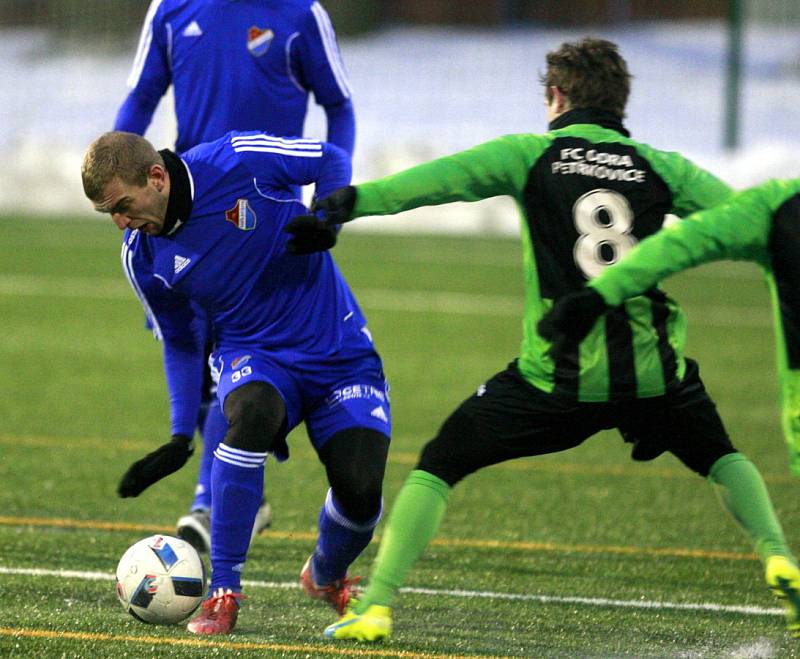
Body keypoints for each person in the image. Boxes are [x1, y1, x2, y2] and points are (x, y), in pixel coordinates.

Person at [285, 38, 800, 641]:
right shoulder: (664, 167)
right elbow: (744, 223)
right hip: (654, 373)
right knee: (721, 456)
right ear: (620, 101)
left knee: (440, 464)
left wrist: (352, 203)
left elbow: (439, 183)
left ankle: (375, 607)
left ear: (556, 96)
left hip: (553, 377)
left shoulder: (531, 154)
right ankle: (776, 555)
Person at [81, 130, 390, 635]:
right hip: (252, 352)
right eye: (108, 214)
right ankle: (224, 592)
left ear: (156, 177)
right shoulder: (141, 255)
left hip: (338, 346)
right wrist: (182, 436)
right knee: (251, 415)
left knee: (361, 490)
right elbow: (181, 342)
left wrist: (328, 219)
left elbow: (329, 158)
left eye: (122, 205)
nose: (120, 221)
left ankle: (326, 574)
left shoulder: (238, 158)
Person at [114, 0, 356, 551]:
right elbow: (141, 97)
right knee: (192, 355)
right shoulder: (170, 11)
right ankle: (240, 492)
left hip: (264, 223)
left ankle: (213, 498)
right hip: (181, 219)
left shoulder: (300, 13)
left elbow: (339, 107)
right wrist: (117, 179)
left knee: (235, 362)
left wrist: (330, 201)